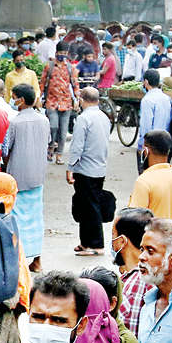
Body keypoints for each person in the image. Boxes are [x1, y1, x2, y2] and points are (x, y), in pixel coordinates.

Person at [2, 82, 49, 265]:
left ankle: (19, 259)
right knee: (36, 218)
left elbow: (5, 150)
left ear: (21, 100)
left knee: (18, 219)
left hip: (18, 177)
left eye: (13, 98)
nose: (12, 101)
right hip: (38, 176)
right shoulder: (44, 120)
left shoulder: (15, 122)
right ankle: (37, 259)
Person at [63, 87, 110, 256]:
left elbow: (77, 147)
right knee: (86, 205)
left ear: (82, 100)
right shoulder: (104, 117)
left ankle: (96, 245)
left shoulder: (83, 119)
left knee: (90, 207)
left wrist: (70, 167)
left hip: (85, 168)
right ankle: (85, 243)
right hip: (99, 166)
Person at [112, 207, 155, 337]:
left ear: (122, 241)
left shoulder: (134, 284)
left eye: (113, 235)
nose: (112, 242)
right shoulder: (155, 273)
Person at [130, 129, 172, 223]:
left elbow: (135, 221)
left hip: (150, 232)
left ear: (146, 151)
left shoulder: (144, 181)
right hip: (171, 232)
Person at [41, 47, 78, 164]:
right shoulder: (49, 66)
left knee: (63, 132)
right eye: (61, 53)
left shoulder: (71, 68)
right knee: (53, 126)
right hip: (51, 101)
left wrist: (77, 99)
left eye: (65, 53)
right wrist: (39, 96)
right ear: (56, 53)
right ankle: (51, 146)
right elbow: (42, 82)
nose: (63, 55)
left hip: (66, 103)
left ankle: (59, 155)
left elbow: (75, 84)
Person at [134, 69, 172, 161]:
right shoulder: (167, 98)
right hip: (166, 142)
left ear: (146, 82)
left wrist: (142, 146)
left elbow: (146, 126)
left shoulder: (147, 100)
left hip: (152, 145)